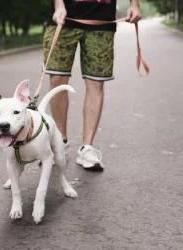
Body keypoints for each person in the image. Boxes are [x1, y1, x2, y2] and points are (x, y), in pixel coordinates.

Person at [44, 0, 142, 171]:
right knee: (57, 79)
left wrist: (134, 4)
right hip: (63, 18)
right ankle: (61, 143)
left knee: (96, 82)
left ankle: (87, 148)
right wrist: (59, 5)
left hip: (101, 22)